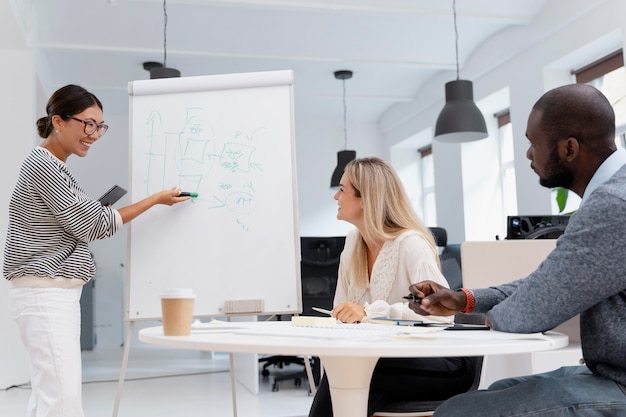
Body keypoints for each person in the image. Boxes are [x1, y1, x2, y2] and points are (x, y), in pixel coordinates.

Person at [409, 83, 626, 417]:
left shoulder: (613, 204)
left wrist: (472, 322)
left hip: (619, 383)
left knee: (458, 413)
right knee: (495, 392)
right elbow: (547, 283)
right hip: (610, 375)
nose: (528, 154)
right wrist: (464, 300)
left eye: (532, 142)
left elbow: (536, 307)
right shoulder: (613, 194)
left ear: (568, 149)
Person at [4, 84, 191, 417]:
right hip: (45, 294)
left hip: (51, 294)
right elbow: (93, 226)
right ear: (58, 122)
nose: (94, 134)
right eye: (87, 123)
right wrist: (155, 200)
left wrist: (95, 212)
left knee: (50, 396)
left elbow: (83, 221)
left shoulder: (54, 167)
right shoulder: (44, 167)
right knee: (61, 402)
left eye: (100, 126)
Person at [308, 157, 477, 417]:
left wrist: (369, 313)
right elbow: (341, 311)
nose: (336, 197)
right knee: (352, 377)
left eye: (342, 189)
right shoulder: (352, 244)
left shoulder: (410, 244)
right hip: (388, 363)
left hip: (443, 362)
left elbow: (443, 314)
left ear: (366, 199)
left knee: (351, 372)